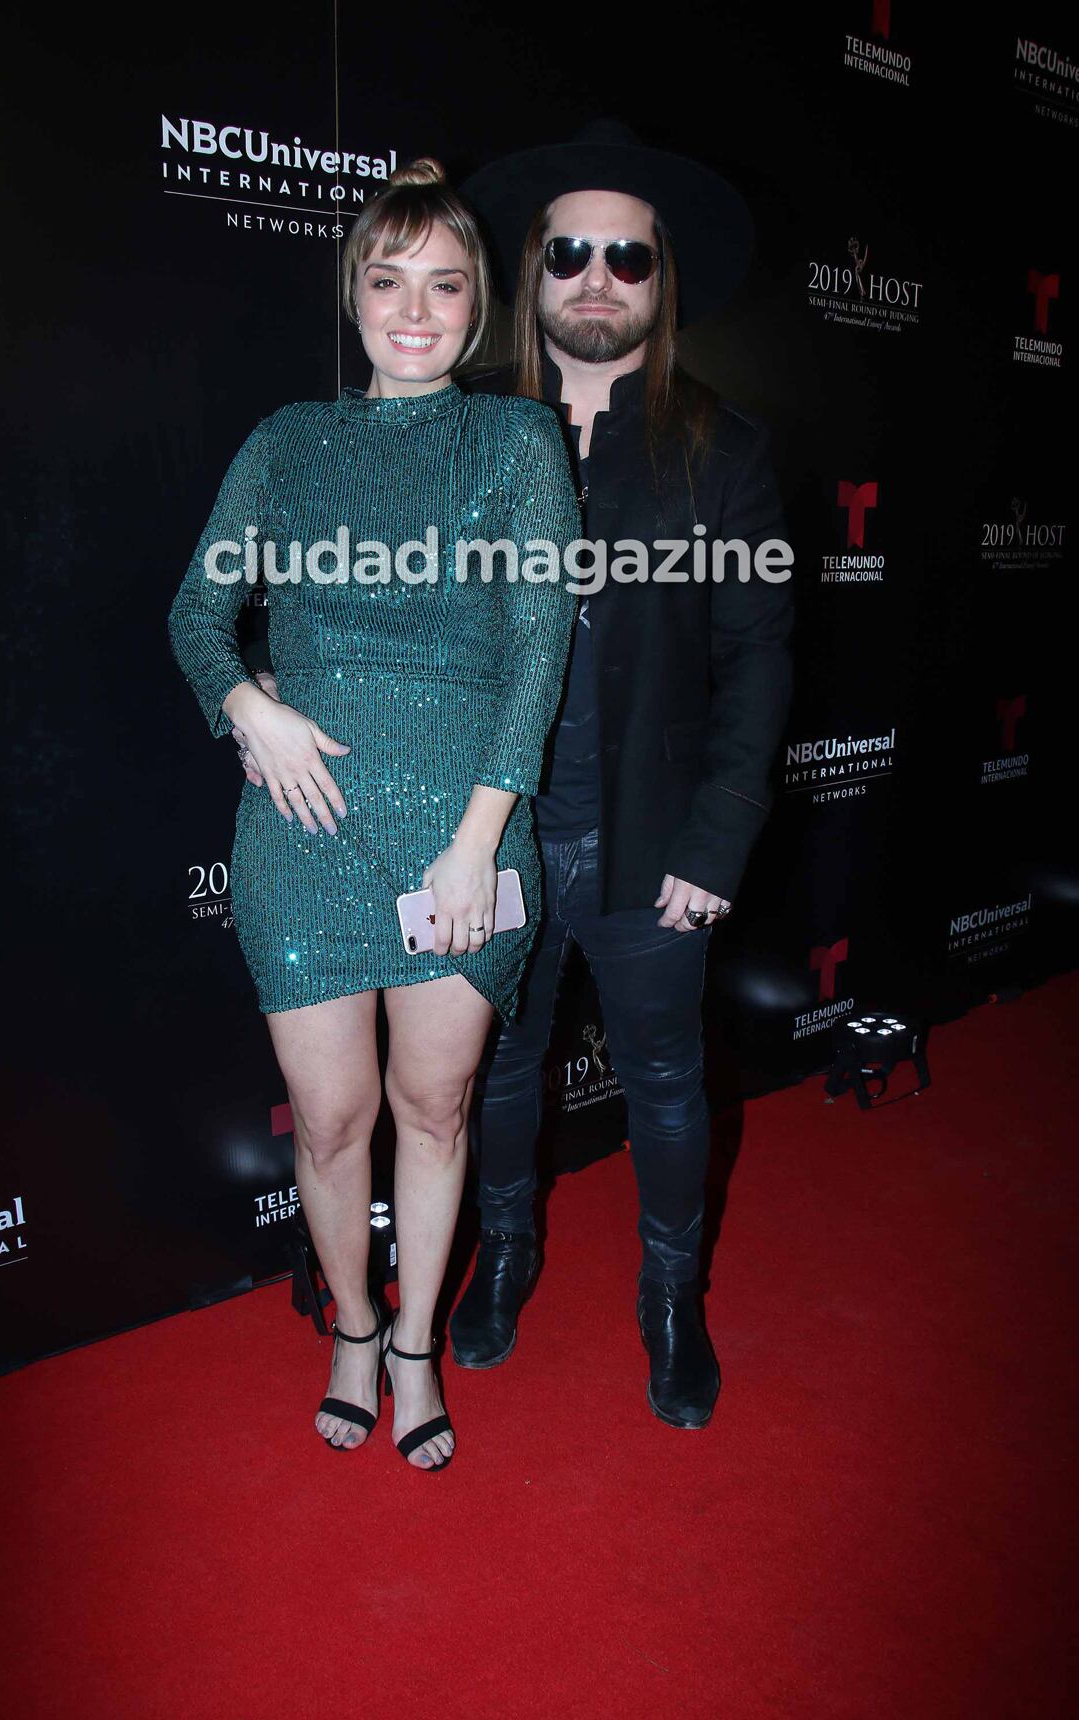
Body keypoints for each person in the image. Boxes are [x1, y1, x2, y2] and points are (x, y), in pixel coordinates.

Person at [167, 159, 580, 1470]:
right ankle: (355, 1323)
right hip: (305, 843)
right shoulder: (288, 441)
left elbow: (536, 646)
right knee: (334, 1122)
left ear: (478, 307)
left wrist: (477, 840)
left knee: (436, 1109)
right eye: (389, 280)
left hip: (465, 838)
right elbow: (194, 614)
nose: (416, 309)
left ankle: (416, 1354)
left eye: (444, 284)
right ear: (355, 294)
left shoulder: (514, 441)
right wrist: (251, 706)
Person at [445, 122, 794, 1429]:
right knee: (499, 1077)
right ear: (532, 276)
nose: (597, 278)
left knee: (663, 1085)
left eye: (627, 257)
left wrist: (718, 841)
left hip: (656, 848)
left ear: (662, 280)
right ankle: (507, 1262)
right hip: (503, 842)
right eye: (570, 252)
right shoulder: (468, 445)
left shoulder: (726, 449)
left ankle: (669, 1300)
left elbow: (759, 662)